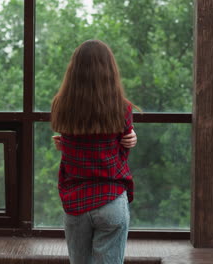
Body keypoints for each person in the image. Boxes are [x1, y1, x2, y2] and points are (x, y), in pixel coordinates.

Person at [50, 39, 139, 264]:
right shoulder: (123, 108)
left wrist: (66, 144)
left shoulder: (60, 105)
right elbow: (122, 152)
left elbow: (74, 141)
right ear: (110, 70)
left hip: (76, 201)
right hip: (110, 199)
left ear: (74, 70)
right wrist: (130, 140)